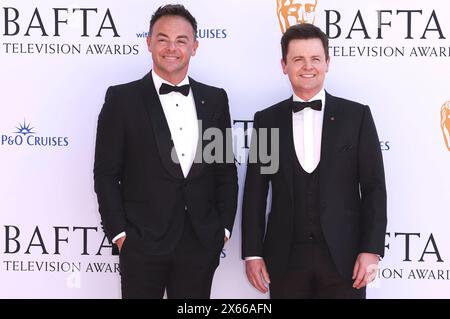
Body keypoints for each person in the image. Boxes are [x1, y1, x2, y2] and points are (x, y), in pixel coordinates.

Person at [94, 4, 238, 299]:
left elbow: (224, 169)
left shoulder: (215, 99)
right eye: (163, 39)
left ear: (194, 46)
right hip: (142, 241)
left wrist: (223, 230)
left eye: (181, 40)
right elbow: (106, 173)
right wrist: (120, 234)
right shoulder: (122, 99)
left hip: (200, 241)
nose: (172, 48)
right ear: (149, 42)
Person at [242, 23, 387, 299]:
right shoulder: (267, 120)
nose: (307, 66)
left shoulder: (356, 117)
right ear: (284, 65)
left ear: (327, 63)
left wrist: (371, 249)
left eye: (315, 59)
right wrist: (252, 253)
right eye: (298, 59)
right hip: (284, 259)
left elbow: (374, 188)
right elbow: (255, 193)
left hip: (345, 260)